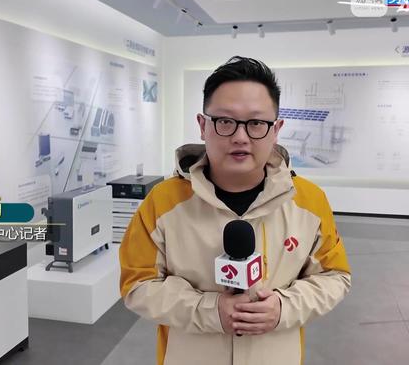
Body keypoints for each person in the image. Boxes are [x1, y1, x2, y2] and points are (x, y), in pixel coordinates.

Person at [119, 56, 351, 365]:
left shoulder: (309, 201)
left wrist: (284, 307)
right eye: (225, 121)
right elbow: (136, 284)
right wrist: (210, 311)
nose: (241, 137)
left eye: (256, 123)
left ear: (276, 129)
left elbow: (335, 276)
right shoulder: (162, 202)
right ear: (203, 126)